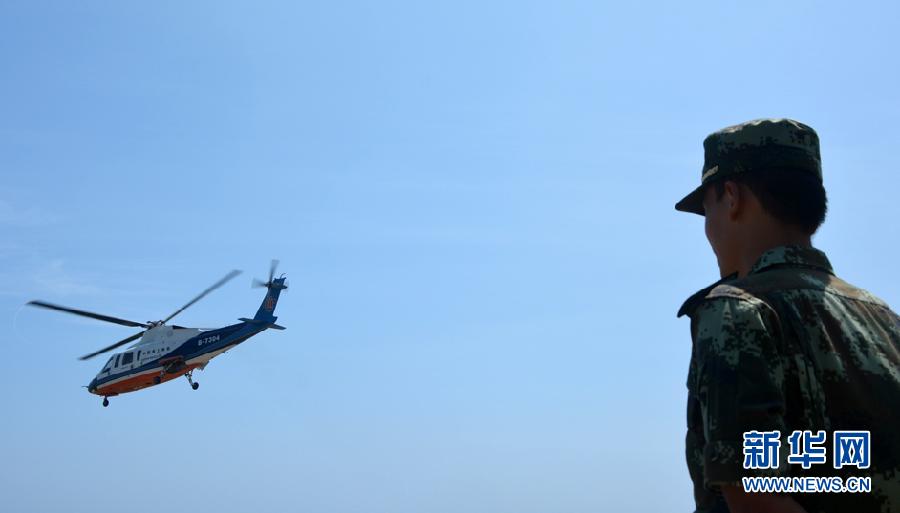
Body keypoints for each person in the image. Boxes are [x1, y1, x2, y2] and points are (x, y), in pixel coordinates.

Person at [674, 118, 900, 513]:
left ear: (732, 197)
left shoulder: (737, 310)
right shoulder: (884, 320)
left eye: (707, 210)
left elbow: (754, 496)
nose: (709, 229)